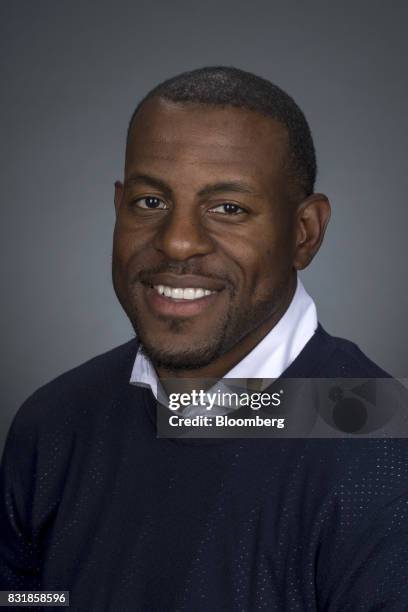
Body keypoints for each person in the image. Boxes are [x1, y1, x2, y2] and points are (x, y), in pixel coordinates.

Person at [1, 66, 407, 611]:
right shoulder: (53, 424)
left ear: (305, 232)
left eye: (229, 209)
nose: (178, 242)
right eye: (150, 202)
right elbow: (28, 600)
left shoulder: (383, 452)